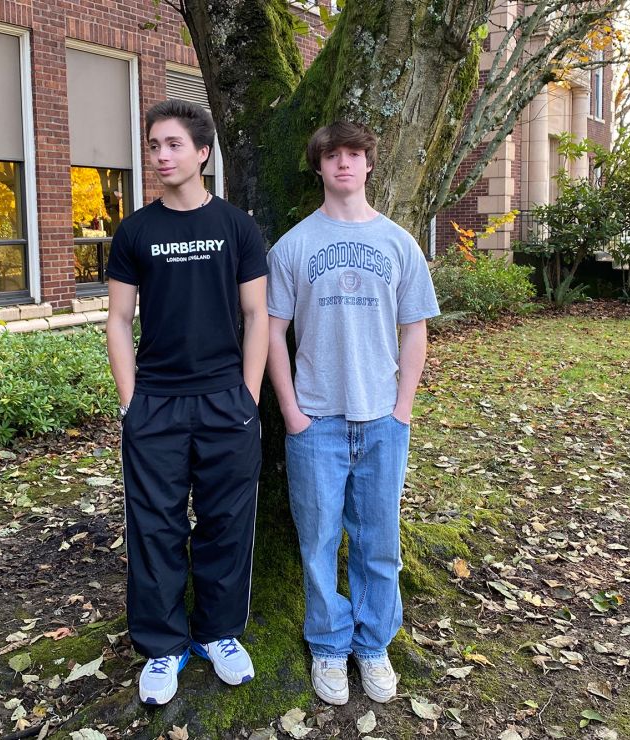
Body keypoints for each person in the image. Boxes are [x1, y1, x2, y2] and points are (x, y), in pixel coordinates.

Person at [265, 121, 439, 705]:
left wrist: (402, 409)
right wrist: (291, 413)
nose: (343, 164)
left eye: (354, 154)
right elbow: (272, 335)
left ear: (369, 166)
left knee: (378, 541)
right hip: (316, 422)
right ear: (319, 167)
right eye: (332, 155)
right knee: (317, 543)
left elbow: (415, 331)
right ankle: (330, 647)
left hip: (383, 421)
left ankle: (373, 646)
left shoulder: (399, 243)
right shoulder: (292, 246)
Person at [105, 99, 269, 706]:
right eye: (153, 145)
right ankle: (163, 646)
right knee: (155, 526)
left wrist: (249, 397)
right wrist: (131, 403)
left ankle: (220, 634)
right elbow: (118, 321)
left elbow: (257, 315)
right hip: (157, 406)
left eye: (173, 144)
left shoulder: (236, 226)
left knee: (228, 522)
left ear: (203, 153)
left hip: (228, 402)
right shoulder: (136, 231)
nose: (161, 155)